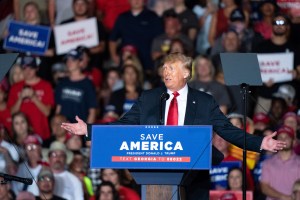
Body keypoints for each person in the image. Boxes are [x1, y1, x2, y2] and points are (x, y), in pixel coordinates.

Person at [61, 52, 286, 200]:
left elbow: (226, 130)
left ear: (186, 73)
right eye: (164, 68)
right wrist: (89, 130)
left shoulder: (204, 101)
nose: (165, 72)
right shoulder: (149, 97)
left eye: (171, 68)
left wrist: (261, 142)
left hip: (194, 174)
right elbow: (124, 125)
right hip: (152, 175)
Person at [260, 125, 300, 200]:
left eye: (287, 137)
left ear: (293, 141)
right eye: (280, 137)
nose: (283, 140)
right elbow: (264, 187)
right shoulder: (268, 163)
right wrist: (283, 197)